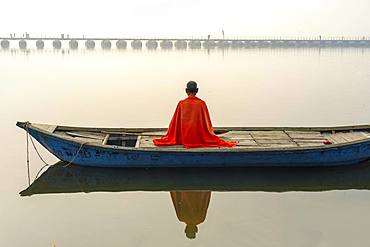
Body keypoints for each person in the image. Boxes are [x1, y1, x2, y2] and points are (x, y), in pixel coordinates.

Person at [153, 81, 237, 148]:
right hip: (198, 138)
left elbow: (175, 124)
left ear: (186, 90)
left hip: (184, 138)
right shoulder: (201, 103)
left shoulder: (181, 104)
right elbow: (207, 125)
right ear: (197, 90)